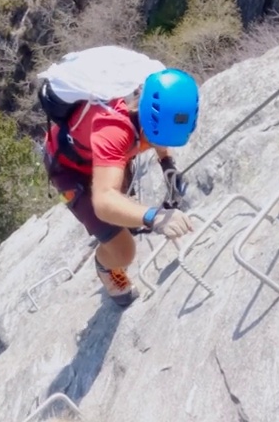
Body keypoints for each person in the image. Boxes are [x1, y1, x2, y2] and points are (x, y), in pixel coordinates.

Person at [41, 66, 199, 307]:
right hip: (70, 171)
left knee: (123, 210)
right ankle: (105, 266)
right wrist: (153, 217)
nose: (162, 143)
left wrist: (167, 164)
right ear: (147, 119)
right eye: (160, 138)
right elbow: (104, 202)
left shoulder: (147, 101)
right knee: (125, 251)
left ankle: (123, 223)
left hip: (105, 156)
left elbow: (159, 131)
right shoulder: (114, 128)